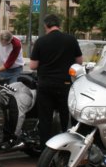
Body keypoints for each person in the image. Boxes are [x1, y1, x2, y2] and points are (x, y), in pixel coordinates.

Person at [30, 14, 83, 145]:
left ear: (46, 26)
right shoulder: (71, 39)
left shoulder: (41, 41)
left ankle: (45, 151)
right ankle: (67, 145)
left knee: (45, 119)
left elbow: (33, 65)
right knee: (67, 116)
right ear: (59, 25)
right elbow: (79, 61)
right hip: (65, 84)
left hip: (45, 84)